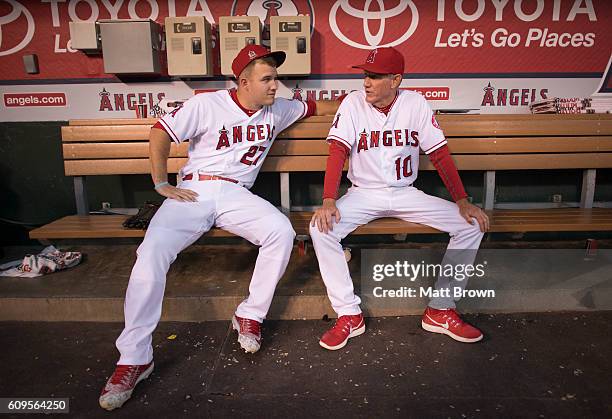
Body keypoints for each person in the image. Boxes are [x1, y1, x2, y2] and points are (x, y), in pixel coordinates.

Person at [99, 44, 338, 411]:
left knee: (281, 231)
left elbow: (321, 107)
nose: (277, 85)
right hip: (194, 190)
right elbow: (160, 132)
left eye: (277, 77)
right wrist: (161, 183)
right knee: (151, 253)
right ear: (243, 81)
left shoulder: (279, 109)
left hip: (237, 194)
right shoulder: (207, 104)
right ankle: (134, 358)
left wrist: (365, 100)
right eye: (268, 78)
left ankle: (250, 314)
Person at [310, 47, 490, 351]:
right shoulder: (353, 104)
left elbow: (439, 153)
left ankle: (440, 309)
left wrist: (461, 200)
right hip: (363, 194)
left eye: (376, 77)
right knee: (320, 229)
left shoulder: (415, 103)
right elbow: (338, 150)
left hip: (405, 193)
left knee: (470, 224)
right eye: (366, 75)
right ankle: (348, 313)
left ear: (396, 79)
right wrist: (329, 199)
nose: (366, 82)